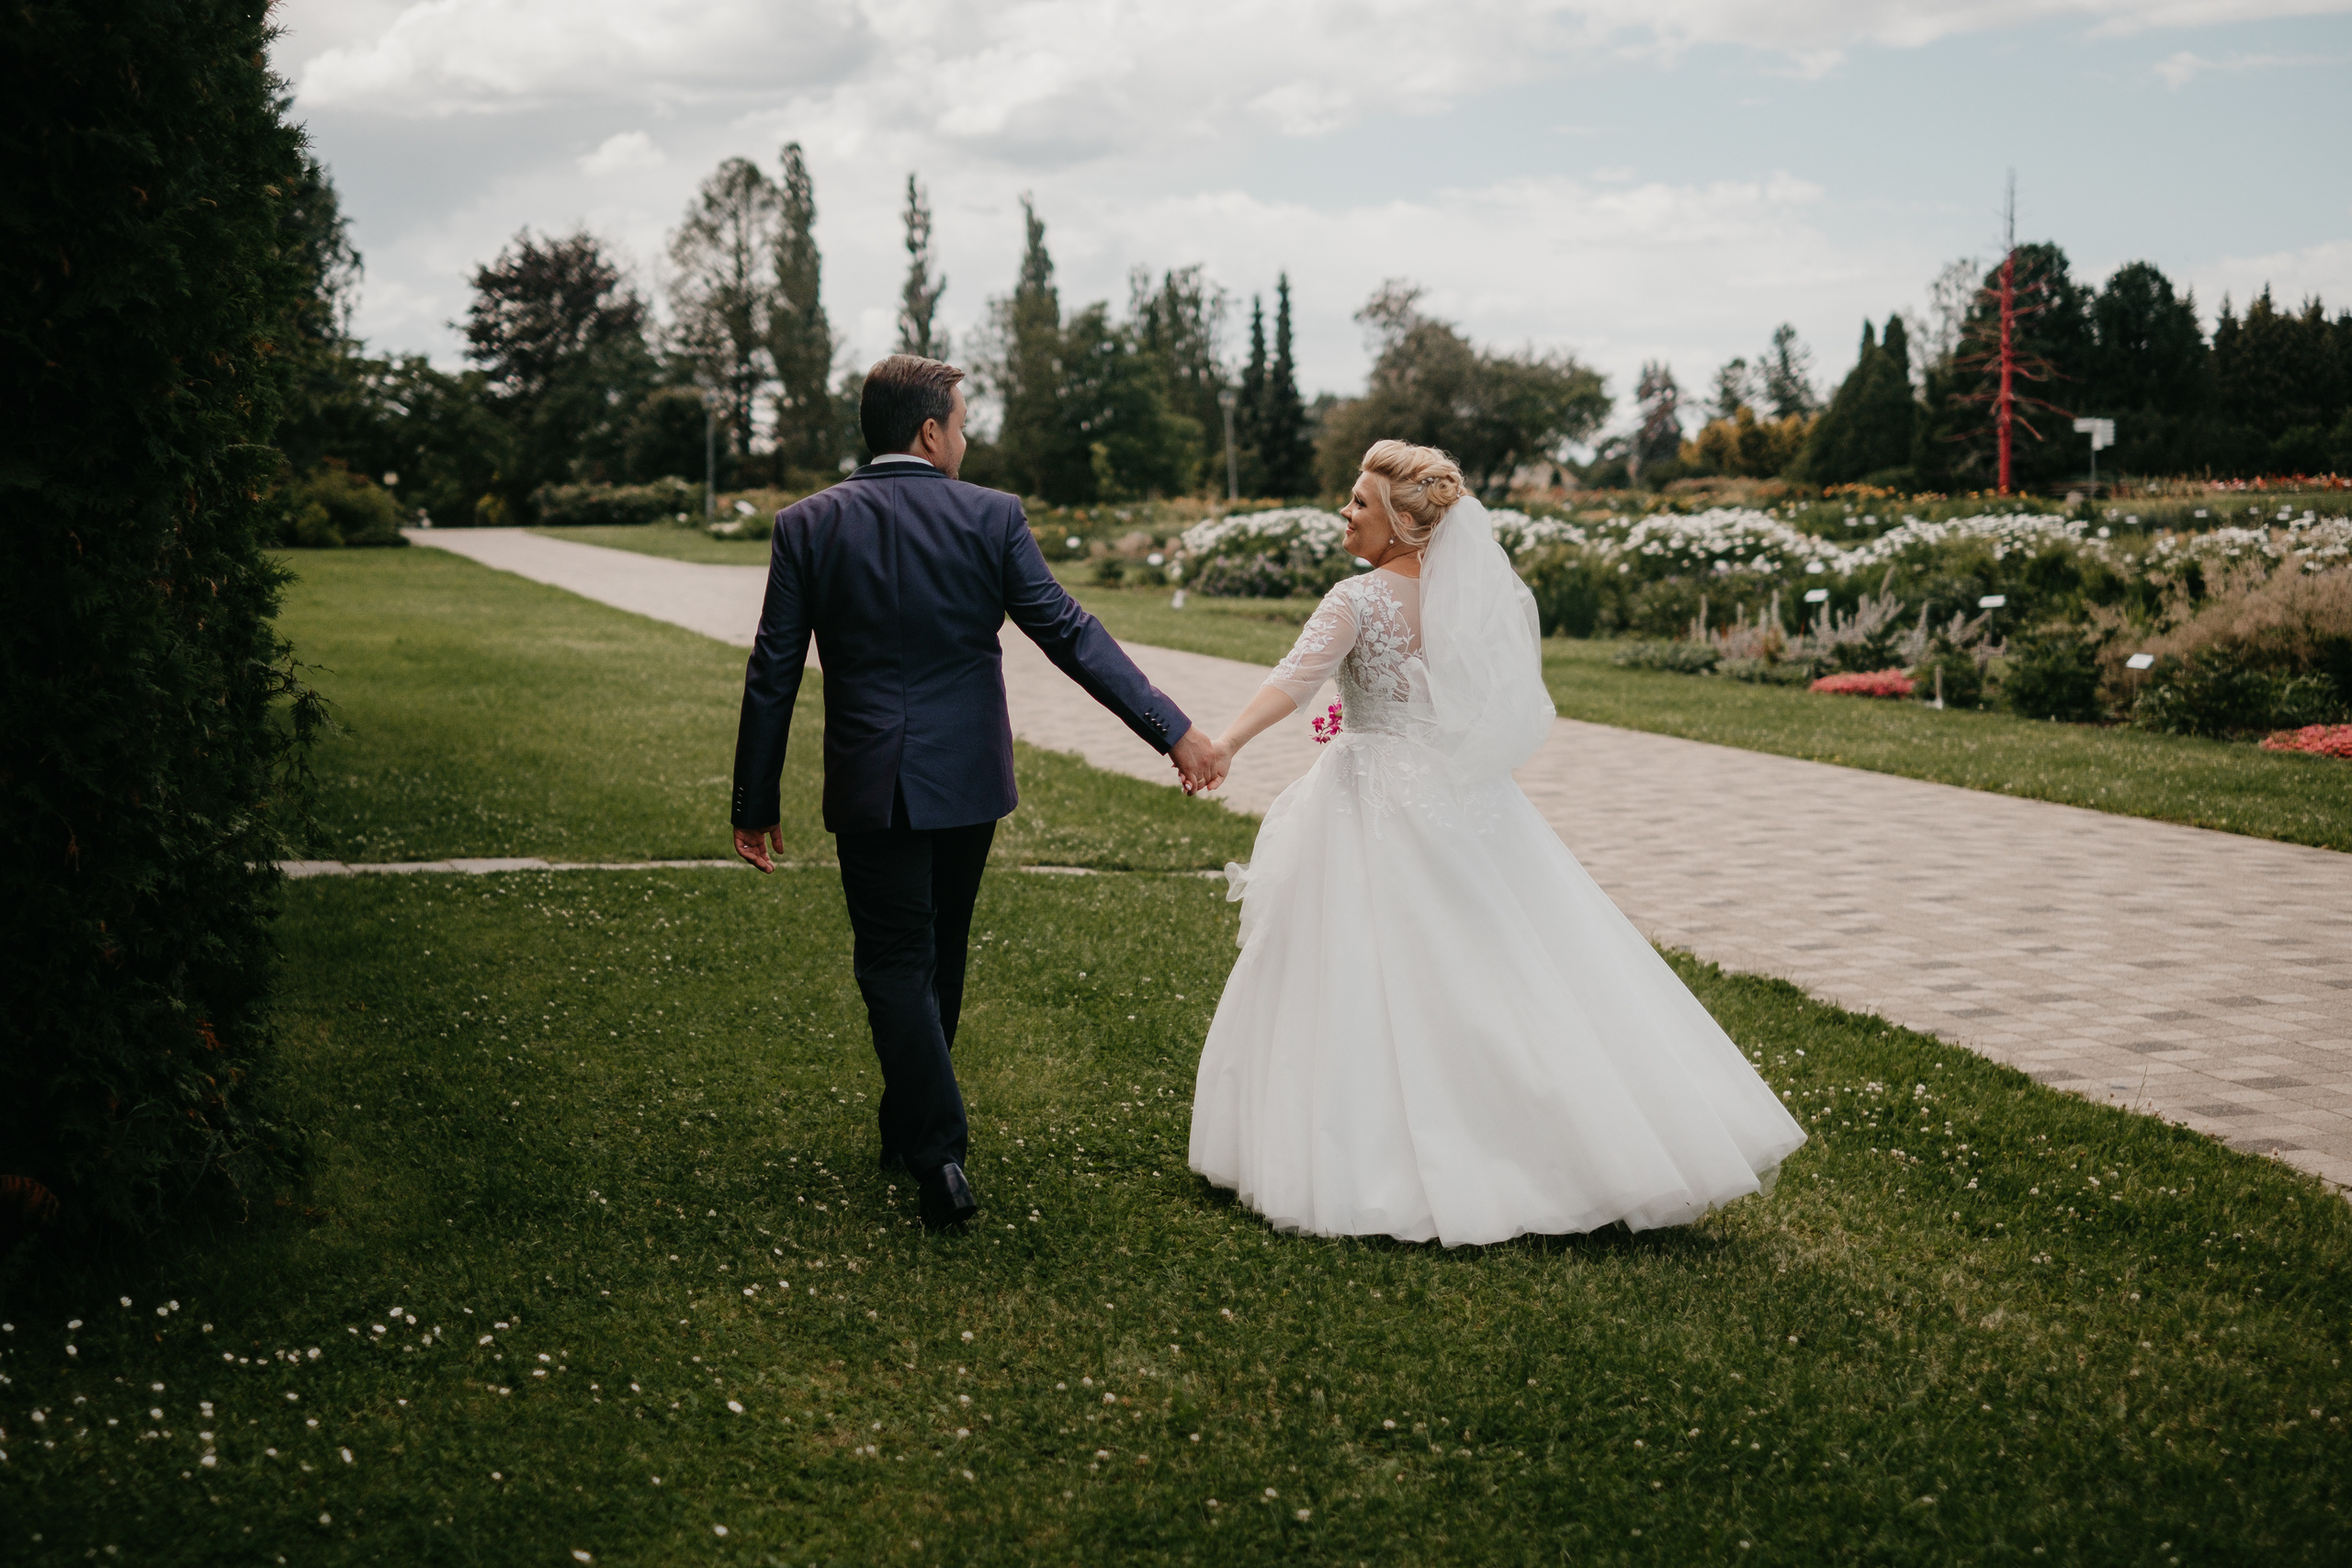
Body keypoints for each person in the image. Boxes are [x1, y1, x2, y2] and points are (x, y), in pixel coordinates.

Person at [1185, 440, 1805, 1246]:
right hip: (1459, 797)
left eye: (1360, 504)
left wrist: (1225, 741)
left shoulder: (1355, 599)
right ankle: (1559, 1141)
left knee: (1368, 967)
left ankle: (1380, 1159)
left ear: (1405, 524)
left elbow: (1293, 679)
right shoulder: (1467, 600)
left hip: (1371, 793)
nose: (1346, 513)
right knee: (1501, 962)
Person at [730, 355, 1221, 1230]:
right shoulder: (990, 517)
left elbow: (774, 669)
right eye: (960, 423)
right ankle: (926, 1136)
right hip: (966, 781)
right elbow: (1070, 634)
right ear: (929, 431)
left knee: (895, 964)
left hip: (871, 782)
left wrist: (753, 801)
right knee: (937, 956)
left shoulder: (806, 524)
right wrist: (1172, 728)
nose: (966, 438)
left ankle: (934, 1151)